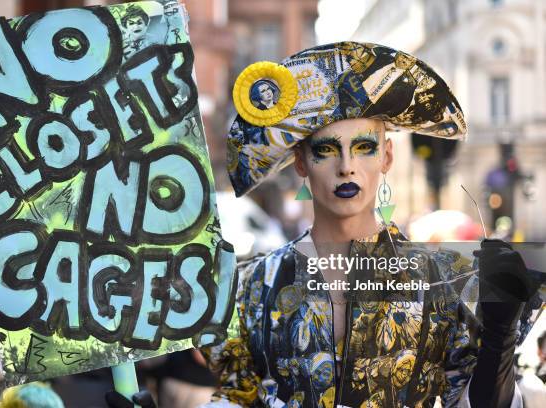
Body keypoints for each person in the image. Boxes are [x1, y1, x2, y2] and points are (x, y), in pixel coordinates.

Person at [202, 41, 542, 408]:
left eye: (364, 147)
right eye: (326, 150)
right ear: (300, 163)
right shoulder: (254, 289)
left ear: (387, 156)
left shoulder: (446, 281)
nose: (346, 166)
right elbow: (238, 399)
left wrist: (499, 340)